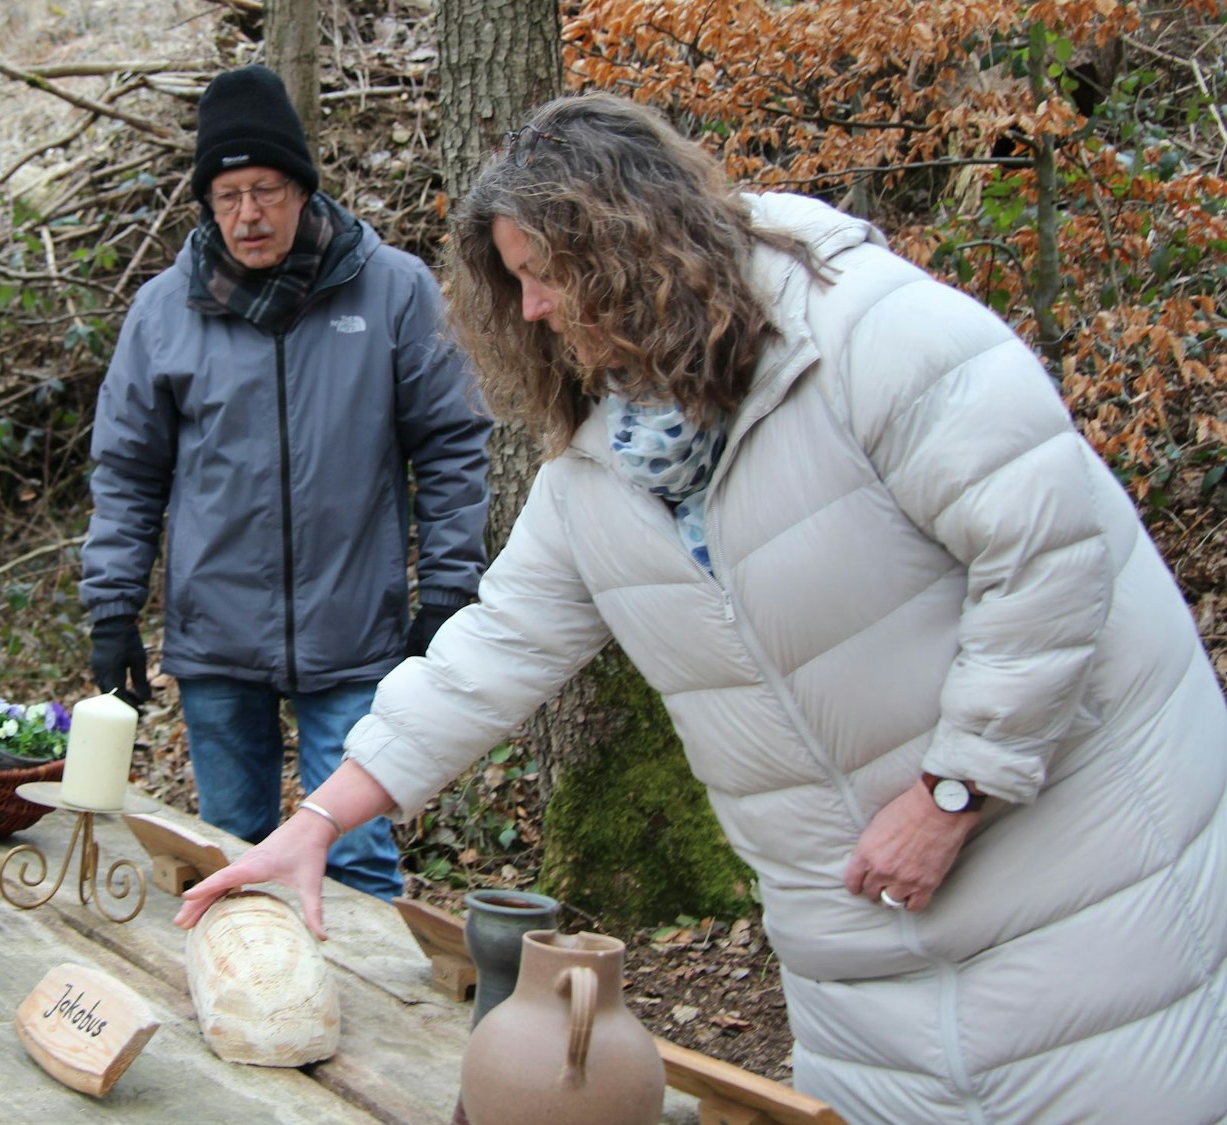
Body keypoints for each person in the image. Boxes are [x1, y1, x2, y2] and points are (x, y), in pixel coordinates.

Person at [175, 93, 1227, 1123]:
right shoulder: (600, 466)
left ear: (627, 247)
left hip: (1090, 888)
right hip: (858, 948)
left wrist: (956, 790)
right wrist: (316, 822)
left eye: (541, 275)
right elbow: (486, 653)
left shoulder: (872, 335)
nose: (530, 309)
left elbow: (1049, 551)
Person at [80, 65, 492, 901]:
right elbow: (127, 470)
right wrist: (112, 608)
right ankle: (250, 1017)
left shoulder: (392, 290)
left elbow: (451, 444)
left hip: (355, 633)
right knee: (231, 852)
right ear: (207, 203)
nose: (248, 214)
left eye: (266, 188)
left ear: (303, 188)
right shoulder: (165, 314)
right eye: (227, 195)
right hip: (216, 635)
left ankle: (374, 1028)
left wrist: (449, 594)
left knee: (358, 859)